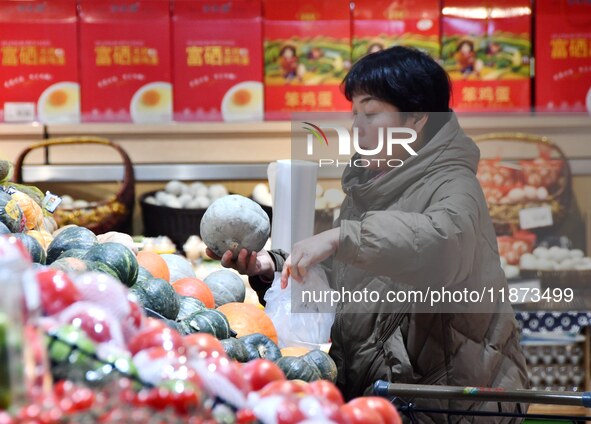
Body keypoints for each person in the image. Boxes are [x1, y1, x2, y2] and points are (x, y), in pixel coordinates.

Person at [208, 46, 529, 423]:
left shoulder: (455, 183)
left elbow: (443, 244)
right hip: (391, 398)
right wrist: (275, 267)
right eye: (355, 113)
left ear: (416, 119)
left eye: (371, 113)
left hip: (454, 407)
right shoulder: (374, 184)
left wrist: (341, 238)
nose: (357, 126)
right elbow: (356, 278)